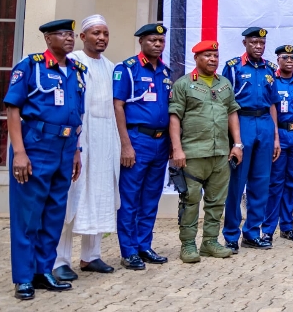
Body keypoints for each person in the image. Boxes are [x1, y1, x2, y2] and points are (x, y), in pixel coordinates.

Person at [4, 19, 85, 300]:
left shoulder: (76, 70)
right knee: (28, 214)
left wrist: (76, 151)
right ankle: (24, 277)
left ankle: (43, 270)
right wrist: (19, 152)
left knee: (54, 213)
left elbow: (77, 115)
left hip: (66, 147)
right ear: (48, 39)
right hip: (36, 145)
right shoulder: (31, 66)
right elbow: (12, 110)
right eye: (63, 34)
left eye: (71, 34)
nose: (69, 38)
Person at [53, 15, 118, 281]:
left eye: (105, 33)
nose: (101, 38)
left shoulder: (111, 67)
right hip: (79, 138)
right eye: (96, 33)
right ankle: (59, 260)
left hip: (105, 140)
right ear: (83, 37)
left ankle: (91, 256)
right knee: (72, 197)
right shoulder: (72, 62)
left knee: (100, 193)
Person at [169, 40, 243, 263]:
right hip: (193, 153)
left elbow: (232, 113)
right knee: (190, 200)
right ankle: (188, 244)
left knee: (216, 202)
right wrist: (177, 149)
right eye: (207, 55)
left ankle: (210, 242)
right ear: (196, 58)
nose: (213, 59)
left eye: (215, 55)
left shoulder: (224, 84)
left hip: (220, 153)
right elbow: (175, 117)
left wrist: (237, 144)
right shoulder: (183, 84)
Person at [112, 23, 173, 271]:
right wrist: (125, 145)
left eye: (161, 41)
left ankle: (144, 245)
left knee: (151, 197)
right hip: (137, 140)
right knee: (130, 198)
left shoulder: (166, 72)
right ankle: (128, 250)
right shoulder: (127, 69)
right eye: (152, 40)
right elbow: (118, 106)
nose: (158, 44)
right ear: (141, 42)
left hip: (161, 141)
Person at [221, 27, 281, 253]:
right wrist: (235, 140)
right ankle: (230, 235)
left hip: (265, 123)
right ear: (245, 43)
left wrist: (275, 137)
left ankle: (252, 233)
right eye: (254, 42)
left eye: (262, 43)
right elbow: (227, 104)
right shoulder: (233, 67)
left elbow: (273, 103)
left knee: (261, 182)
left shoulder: (270, 69)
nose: (258, 46)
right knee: (237, 183)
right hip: (242, 122)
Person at [263, 44, 293, 242]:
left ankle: (287, 226)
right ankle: (268, 229)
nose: (289, 61)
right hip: (279, 136)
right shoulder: (271, 82)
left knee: (292, 183)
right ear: (278, 60)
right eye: (285, 58)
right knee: (275, 183)